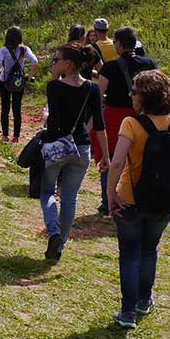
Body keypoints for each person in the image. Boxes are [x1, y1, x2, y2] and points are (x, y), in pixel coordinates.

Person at [106, 70, 170, 329]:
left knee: (129, 254)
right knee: (149, 250)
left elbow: (117, 162)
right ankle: (144, 300)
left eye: (134, 91)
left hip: (130, 199)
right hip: (164, 202)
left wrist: (110, 193)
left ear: (145, 97)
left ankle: (127, 312)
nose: (130, 94)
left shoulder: (131, 124)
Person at [40, 44, 109, 260]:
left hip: (57, 145)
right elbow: (99, 124)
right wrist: (105, 155)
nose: (54, 62)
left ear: (68, 63)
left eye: (57, 59)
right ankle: (60, 246)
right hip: (81, 146)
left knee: (47, 191)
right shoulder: (92, 88)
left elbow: (54, 120)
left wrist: (54, 76)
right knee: (70, 198)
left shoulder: (54, 86)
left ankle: (54, 232)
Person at [93, 26, 156, 216]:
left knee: (110, 159)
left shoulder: (110, 67)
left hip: (115, 118)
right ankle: (135, 199)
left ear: (119, 44)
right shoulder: (149, 64)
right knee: (139, 159)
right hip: (142, 117)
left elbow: (99, 94)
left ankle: (107, 202)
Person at [0, 26, 37, 143]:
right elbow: (35, 61)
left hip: (5, 80)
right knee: (17, 109)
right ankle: (16, 137)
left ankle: (5, 136)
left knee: (5, 108)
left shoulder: (4, 50)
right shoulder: (24, 50)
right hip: (18, 81)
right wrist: (29, 77)